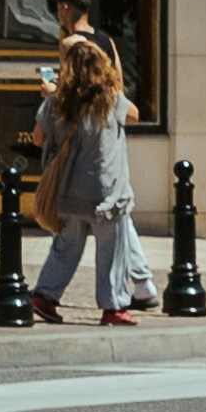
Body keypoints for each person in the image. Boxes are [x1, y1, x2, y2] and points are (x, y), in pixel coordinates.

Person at [51, 0, 157, 307]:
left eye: (59, 11)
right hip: (112, 127)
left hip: (87, 136)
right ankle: (143, 282)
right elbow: (118, 83)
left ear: (65, 9)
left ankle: (49, 290)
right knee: (117, 210)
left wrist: (51, 93)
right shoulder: (107, 41)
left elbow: (70, 90)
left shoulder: (70, 44)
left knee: (88, 217)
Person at [31, 29, 141, 326]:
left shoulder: (55, 101)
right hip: (106, 191)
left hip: (68, 189)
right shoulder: (109, 99)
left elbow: (38, 138)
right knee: (111, 251)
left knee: (65, 247)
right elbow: (134, 115)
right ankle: (113, 307)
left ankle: (44, 295)